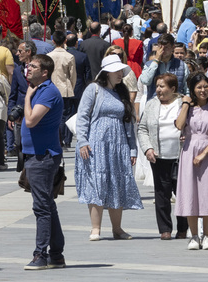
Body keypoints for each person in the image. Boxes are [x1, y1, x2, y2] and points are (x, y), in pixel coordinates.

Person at [74, 55, 143, 240]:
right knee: (96, 183)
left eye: (121, 70)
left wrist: (132, 148)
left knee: (116, 183)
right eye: (117, 71)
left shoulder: (122, 93)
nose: (120, 74)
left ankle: (117, 228)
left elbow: (128, 123)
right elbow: (82, 116)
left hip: (118, 144)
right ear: (107, 73)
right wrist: (83, 141)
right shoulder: (93, 89)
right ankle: (95, 228)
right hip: (96, 144)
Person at [175, 72, 208, 249]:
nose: (203, 90)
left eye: (206, 86)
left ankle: (207, 235)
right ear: (193, 89)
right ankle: (194, 236)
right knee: (190, 192)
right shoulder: (188, 108)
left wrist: (204, 154)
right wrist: (185, 104)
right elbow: (178, 125)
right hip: (189, 150)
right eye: (199, 87)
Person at [22, 53, 66, 270]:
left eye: (33, 66)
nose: (28, 69)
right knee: (47, 204)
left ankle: (41, 254)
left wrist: (27, 98)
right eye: (28, 65)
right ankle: (57, 253)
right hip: (36, 154)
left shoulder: (47, 92)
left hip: (43, 156)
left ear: (45, 72)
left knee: (41, 207)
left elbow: (30, 121)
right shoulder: (40, 90)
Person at [135, 73, 189, 239]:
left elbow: (193, 124)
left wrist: (188, 136)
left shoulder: (184, 103)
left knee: (182, 193)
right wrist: (147, 148)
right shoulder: (151, 105)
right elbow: (142, 129)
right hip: (159, 157)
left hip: (181, 156)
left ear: (173, 89)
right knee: (161, 194)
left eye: (162, 86)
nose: (158, 90)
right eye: (157, 86)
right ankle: (165, 229)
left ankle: (182, 228)